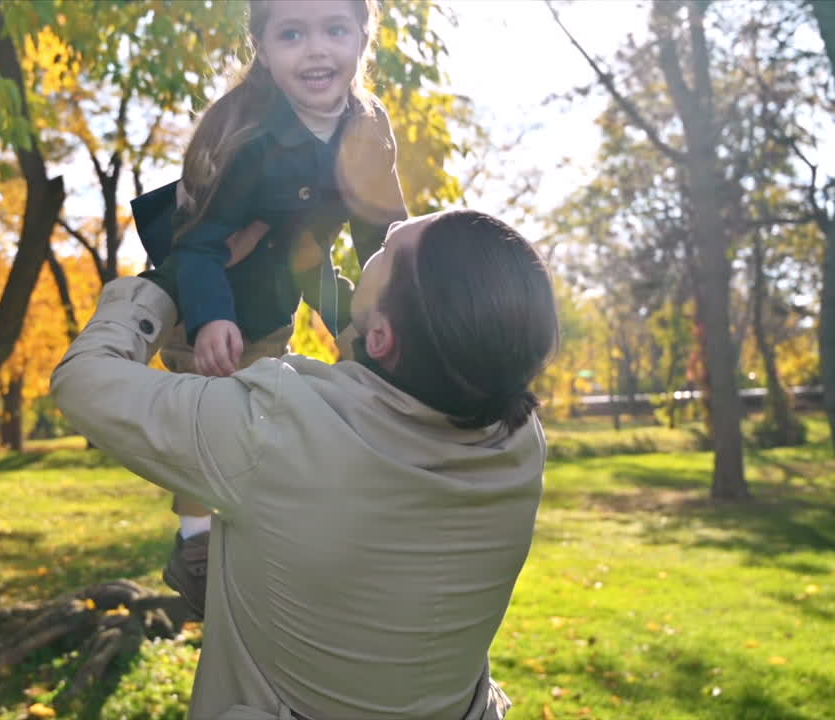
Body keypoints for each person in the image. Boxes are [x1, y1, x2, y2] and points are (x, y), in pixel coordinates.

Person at [52, 209, 559, 719]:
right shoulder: (519, 444)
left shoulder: (274, 424)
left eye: (383, 253)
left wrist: (168, 282)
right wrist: (322, 285)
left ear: (382, 336)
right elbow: (405, 371)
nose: (377, 243)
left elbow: (85, 380)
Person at [128, 0, 407, 614]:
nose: (316, 49)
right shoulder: (249, 137)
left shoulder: (367, 127)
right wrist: (209, 318)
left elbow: (379, 233)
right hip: (211, 291)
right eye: (292, 34)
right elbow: (200, 244)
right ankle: (195, 547)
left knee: (279, 410)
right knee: (214, 420)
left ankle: (349, 521)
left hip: (287, 286)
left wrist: (384, 312)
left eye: (335, 29)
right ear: (261, 44)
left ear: (364, 35)